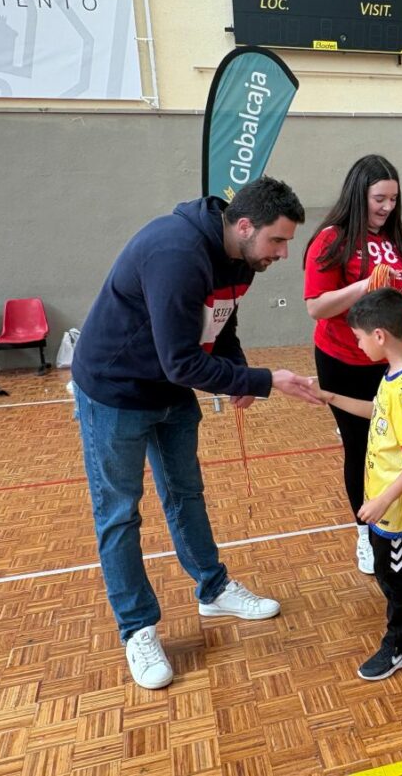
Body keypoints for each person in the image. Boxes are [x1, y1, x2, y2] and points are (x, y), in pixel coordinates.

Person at [71, 177, 324, 690]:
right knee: (119, 513)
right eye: (277, 241)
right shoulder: (175, 252)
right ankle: (137, 628)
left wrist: (238, 368)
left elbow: (222, 324)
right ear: (245, 225)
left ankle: (213, 590)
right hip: (113, 391)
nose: (282, 253)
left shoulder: (239, 259)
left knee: (186, 494)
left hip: (170, 392)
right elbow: (182, 359)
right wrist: (264, 380)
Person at [303, 154, 402, 575]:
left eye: (393, 199)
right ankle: (366, 529)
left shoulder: (401, 240)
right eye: (379, 199)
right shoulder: (332, 239)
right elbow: (316, 307)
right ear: (359, 194)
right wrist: (362, 286)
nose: (387, 207)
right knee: (363, 447)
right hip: (344, 358)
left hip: (394, 362)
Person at [317, 289, 402, 680]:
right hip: (385, 497)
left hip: (393, 505)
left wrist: (381, 502)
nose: (357, 344)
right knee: (395, 557)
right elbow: (377, 411)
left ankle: (399, 645)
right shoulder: (395, 375)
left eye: (358, 337)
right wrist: (329, 395)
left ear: (380, 336)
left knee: (389, 573)